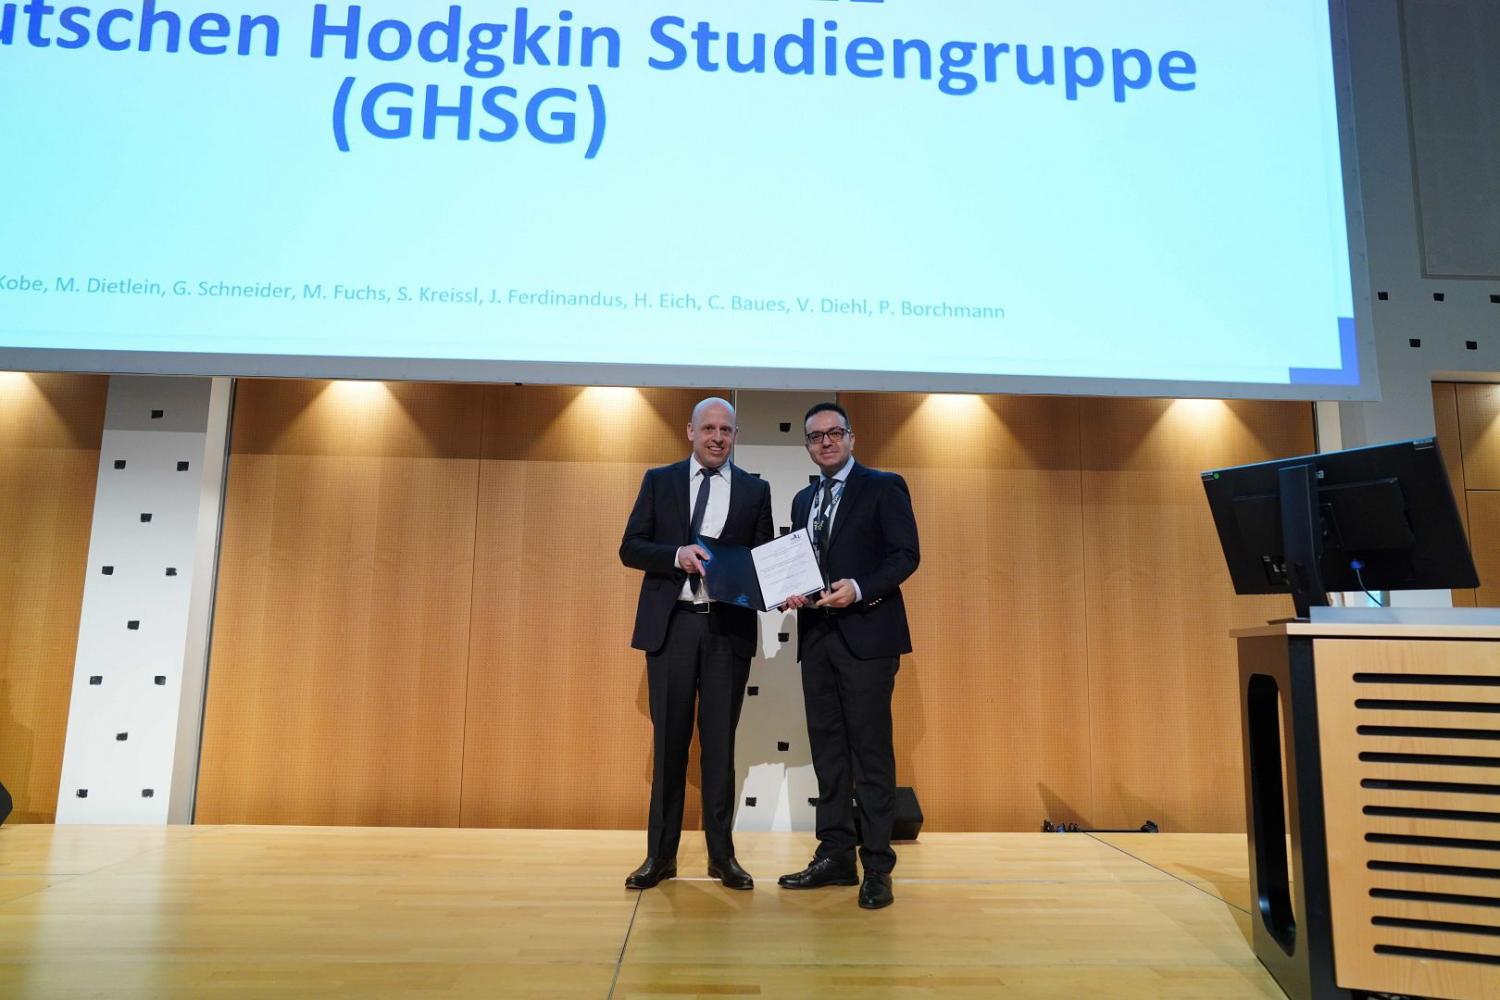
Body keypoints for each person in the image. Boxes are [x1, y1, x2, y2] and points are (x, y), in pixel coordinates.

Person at [618, 397, 774, 891]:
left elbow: (762, 560)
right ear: (690, 431)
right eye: (708, 428)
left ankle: (721, 857)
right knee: (670, 746)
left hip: (728, 631)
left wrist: (787, 584)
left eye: (726, 430)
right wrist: (675, 554)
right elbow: (630, 547)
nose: (717, 437)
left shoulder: (755, 490)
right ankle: (659, 858)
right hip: (674, 627)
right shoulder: (659, 481)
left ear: (735, 436)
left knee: (720, 747)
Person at [777, 401, 919, 909]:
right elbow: (801, 565)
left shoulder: (884, 486)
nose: (826, 442)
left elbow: (905, 555)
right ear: (808, 446)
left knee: (870, 755)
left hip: (868, 639)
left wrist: (859, 589)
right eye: (816, 436)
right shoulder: (803, 500)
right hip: (816, 639)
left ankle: (877, 866)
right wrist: (791, 591)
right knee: (829, 754)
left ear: (852, 438)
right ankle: (836, 855)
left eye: (835, 433)